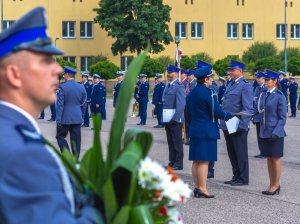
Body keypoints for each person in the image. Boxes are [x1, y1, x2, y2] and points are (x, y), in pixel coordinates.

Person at [0, 7, 101, 223]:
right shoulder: (21, 152)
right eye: (46, 61)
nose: (57, 70)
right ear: (14, 75)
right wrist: (102, 206)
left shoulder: (12, 130)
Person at [187, 64, 234, 198]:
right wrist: (228, 115)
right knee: (204, 161)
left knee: (196, 160)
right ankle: (202, 188)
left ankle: (197, 187)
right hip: (207, 130)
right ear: (206, 79)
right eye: (210, 78)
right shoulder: (210, 93)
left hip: (195, 128)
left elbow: (188, 114)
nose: (212, 80)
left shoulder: (191, 93)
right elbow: (216, 112)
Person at [220, 60, 254, 186]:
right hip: (228, 122)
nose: (230, 72)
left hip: (237, 123)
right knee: (231, 151)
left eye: (232, 70)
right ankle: (236, 175)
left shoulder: (245, 85)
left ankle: (243, 178)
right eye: (230, 70)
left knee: (240, 152)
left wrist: (243, 125)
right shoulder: (230, 84)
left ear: (240, 71)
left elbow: (248, 108)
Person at [256, 69, 287, 195]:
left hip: (275, 132)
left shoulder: (280, 96)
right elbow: (259, 110)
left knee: (275, 158)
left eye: (268, 79)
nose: (266, 81)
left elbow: (282, 117)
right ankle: (271, 183)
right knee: (269, 158)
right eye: (265, 79)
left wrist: (276, 131)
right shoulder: (263, 93)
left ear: (275, 81)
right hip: (264, 131)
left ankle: (276, 184)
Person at [56, 66, 86, 156]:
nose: (64, 76)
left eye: (64, 74)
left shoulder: (62, 87)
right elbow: (83, 104)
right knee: (76, 140)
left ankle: (67, 156)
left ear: (67, 75)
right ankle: (75, 161)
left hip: (65, 118)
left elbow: (60, 105)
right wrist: (82, 116)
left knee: (60, 136)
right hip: (77, 117)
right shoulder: (81, 87)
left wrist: (58, 119)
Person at [163, 65, 186, 170]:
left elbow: (181, 105)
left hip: (175, 120)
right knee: (170, 141)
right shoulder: (168, 86)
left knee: (177, 142)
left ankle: (179, 163)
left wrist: (175, 118)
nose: (168, 74)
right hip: (168, 119)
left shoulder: (179, 86)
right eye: (168, 72)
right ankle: (172, 160)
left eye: (171, 72)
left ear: (176, 74)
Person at [252, 71, 266, 159]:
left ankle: (265, 152)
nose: (257, 80)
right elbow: (254, 102)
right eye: (257, 78)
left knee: (264, 134)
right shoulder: (257, 88)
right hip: (257, 116)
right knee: (259, 135)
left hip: (263, 116)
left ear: (264, 79)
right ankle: (262, 151)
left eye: (259, 78)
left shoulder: (266, 88)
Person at [184, 70, 197, 145]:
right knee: (187, 122)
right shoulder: (187, 83)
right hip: (186, 105)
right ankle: (187, 137)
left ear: (193, 75)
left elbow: (191, 94)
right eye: (187, 75)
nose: (188, 77)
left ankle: (191, 138)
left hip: (192, 106)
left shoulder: (195, 84)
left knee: (191, 122)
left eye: (189, 75)